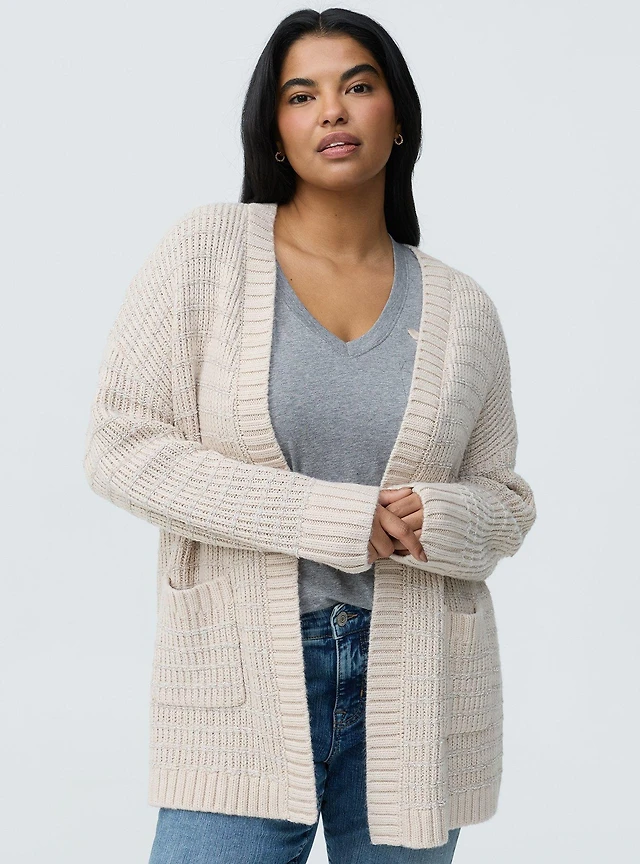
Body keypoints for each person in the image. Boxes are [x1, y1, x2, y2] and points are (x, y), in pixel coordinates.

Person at [83, 8, 537, 863]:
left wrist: (437, 518)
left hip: (415, 689)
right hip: (243, 682)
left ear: (397, 119)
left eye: (357, 86)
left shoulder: (462, 309)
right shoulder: (208, 254)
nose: (332, 109)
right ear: (275, 131)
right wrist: (333, 518)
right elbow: (120, 446)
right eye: (302, 95)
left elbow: (505, 500)